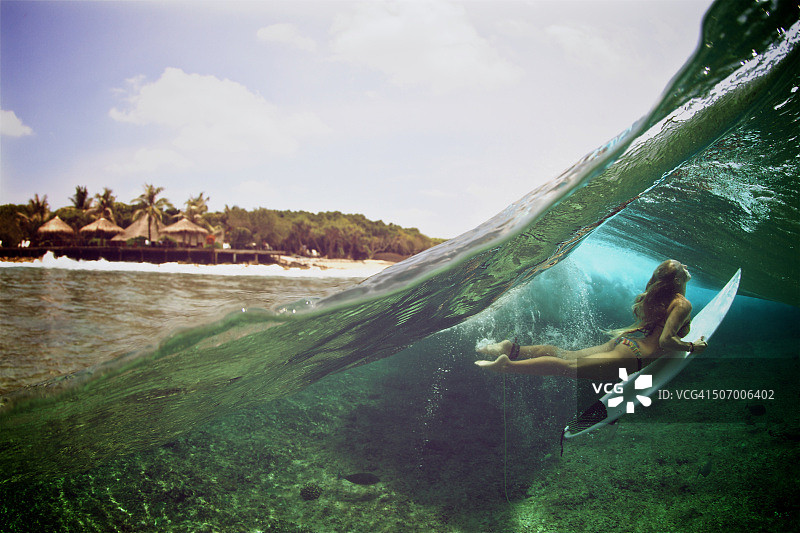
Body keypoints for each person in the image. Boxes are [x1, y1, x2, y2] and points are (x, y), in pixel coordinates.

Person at [475, 259, 707, 381]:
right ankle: (508, 365)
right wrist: (691, 346)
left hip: (626, 345)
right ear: (677, 279)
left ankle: (512, 349)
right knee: (567, 367)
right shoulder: (682, 303)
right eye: (681, 267)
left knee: (565, 355)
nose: (685, 267)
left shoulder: (656, 298)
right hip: (634, 357)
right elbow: (666, 341)